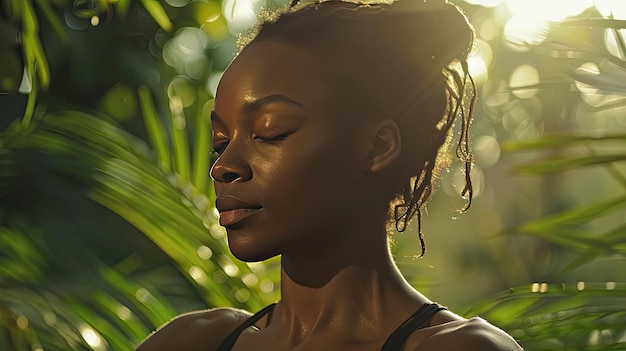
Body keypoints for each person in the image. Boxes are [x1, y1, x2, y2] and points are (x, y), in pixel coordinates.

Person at [136, 0, 524, 349]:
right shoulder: (193, 341)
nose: (222, 167)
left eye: (271, 131)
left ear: (377, 147)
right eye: (222, 142)